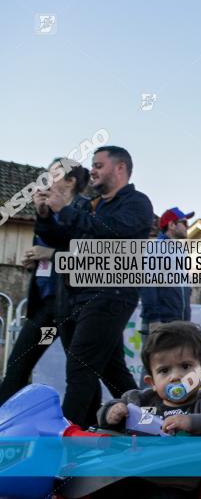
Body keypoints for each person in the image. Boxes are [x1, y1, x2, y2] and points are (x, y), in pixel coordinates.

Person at [34, 146, 154, 428]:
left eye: (99, 165)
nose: (93, 171)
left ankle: (65, 444)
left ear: (120, 168)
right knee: (114, 375)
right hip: (78, 298)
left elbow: (111, 231)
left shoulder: (137, 203)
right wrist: (44, 215)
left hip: (110, 296)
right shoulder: (88, 206)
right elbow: (62, 238)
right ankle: (152, 424)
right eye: (92, 165)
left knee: (79, 369)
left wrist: (63, 209)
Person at [96, 322, 201, 498]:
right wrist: (111, 411)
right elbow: (106, 416)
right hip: (133, 473)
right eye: (164, 370)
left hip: (179, 481)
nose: (175, 377)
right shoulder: (139, 399)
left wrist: (191, 421)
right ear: (151, 382)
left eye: (185, 366)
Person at [0, 159, 89, 406]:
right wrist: (34, 261)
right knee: (19, 364)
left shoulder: (86, 209)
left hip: (73, 305)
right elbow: (46, 245)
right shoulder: (46, 210)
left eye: (55, 174)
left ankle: (92, 424)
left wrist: (48, 254)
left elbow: (82, 253)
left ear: (71, 181)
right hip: (45, 306)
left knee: (81, 371)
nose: (47, 179)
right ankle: (6, 420)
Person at [139, 207, 194, 334]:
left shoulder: (180, 251)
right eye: (184, 223)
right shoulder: (155, 248)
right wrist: (154, 319)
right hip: (162, 323)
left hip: (179, 322)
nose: (188, 227)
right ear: (171, 225)